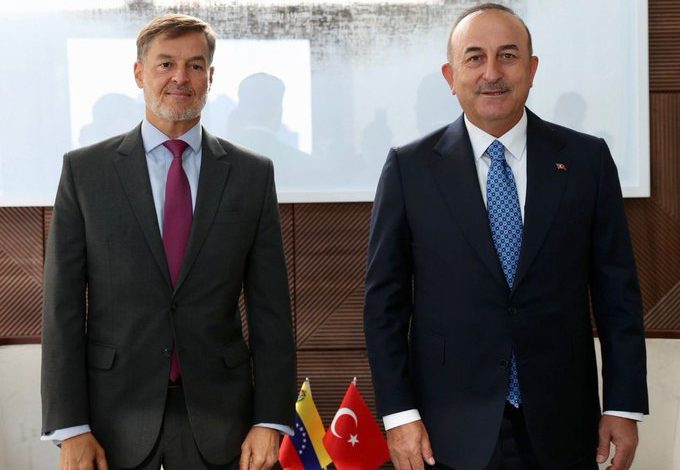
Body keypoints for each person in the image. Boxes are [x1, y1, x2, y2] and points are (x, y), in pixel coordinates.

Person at [363, 4, 648, 470]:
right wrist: (399, 413)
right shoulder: (409, 169)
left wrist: (622, 404)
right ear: (450, 75)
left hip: (564, 424)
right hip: (445, 430)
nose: (492, 73)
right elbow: (384, 306)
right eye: (475, 57)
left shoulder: (587, 160)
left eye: (508, 56)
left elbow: (618, 294)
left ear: (532, 70)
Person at [41, 14, 295, 470]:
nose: (181, 77)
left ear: (210, 77)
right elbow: (62, 307)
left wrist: (270, 419)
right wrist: (70, 426)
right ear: (139, 73)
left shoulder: (252, 175)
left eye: (195, 66)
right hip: (111, 421)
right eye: (165, 64)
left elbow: (271, 310)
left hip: (223, 421)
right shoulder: (85, 172)